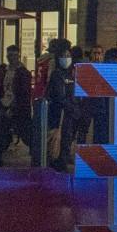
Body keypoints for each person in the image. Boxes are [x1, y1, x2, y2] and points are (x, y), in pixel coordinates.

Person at [0, 48, 32, 167]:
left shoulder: (23, 73)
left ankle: (37, 155)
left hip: (18, 107)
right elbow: (1, 88)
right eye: (9, 55)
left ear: (18, 56)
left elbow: (23, 93)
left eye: (14, 55)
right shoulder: (4, 71)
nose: (11, 58)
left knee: (25, 133)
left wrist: (14, 107)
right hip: (5, 104)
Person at [41, 39, 75, 167]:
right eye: (63, 56)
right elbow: (59, 95)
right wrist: (71, 107)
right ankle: (58, 165)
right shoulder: (57, 74)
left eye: (68, 56)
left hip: (67, 114)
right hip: (58, 114)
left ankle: (61, 164)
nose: (66, 58)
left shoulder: (72, 73)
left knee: (65, 140)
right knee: (59, 141)